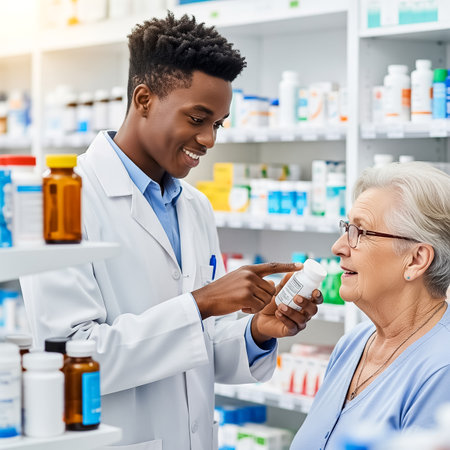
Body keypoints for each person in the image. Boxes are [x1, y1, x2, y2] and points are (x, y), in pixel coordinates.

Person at [20, 13, 322, 449]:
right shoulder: (65, 202)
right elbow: (71, 357)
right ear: (144, 99)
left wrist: (256, 331)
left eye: (218, 123)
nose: (209, 139)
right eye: (197, 118)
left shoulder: (194, 207)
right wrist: (200, 303)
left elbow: (197, 349)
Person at [291, 161, 450, 449]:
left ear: (416, 259)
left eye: (360, 232)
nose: (338, 247)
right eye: (347, 227)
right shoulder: (353, 344)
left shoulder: (443, 370)